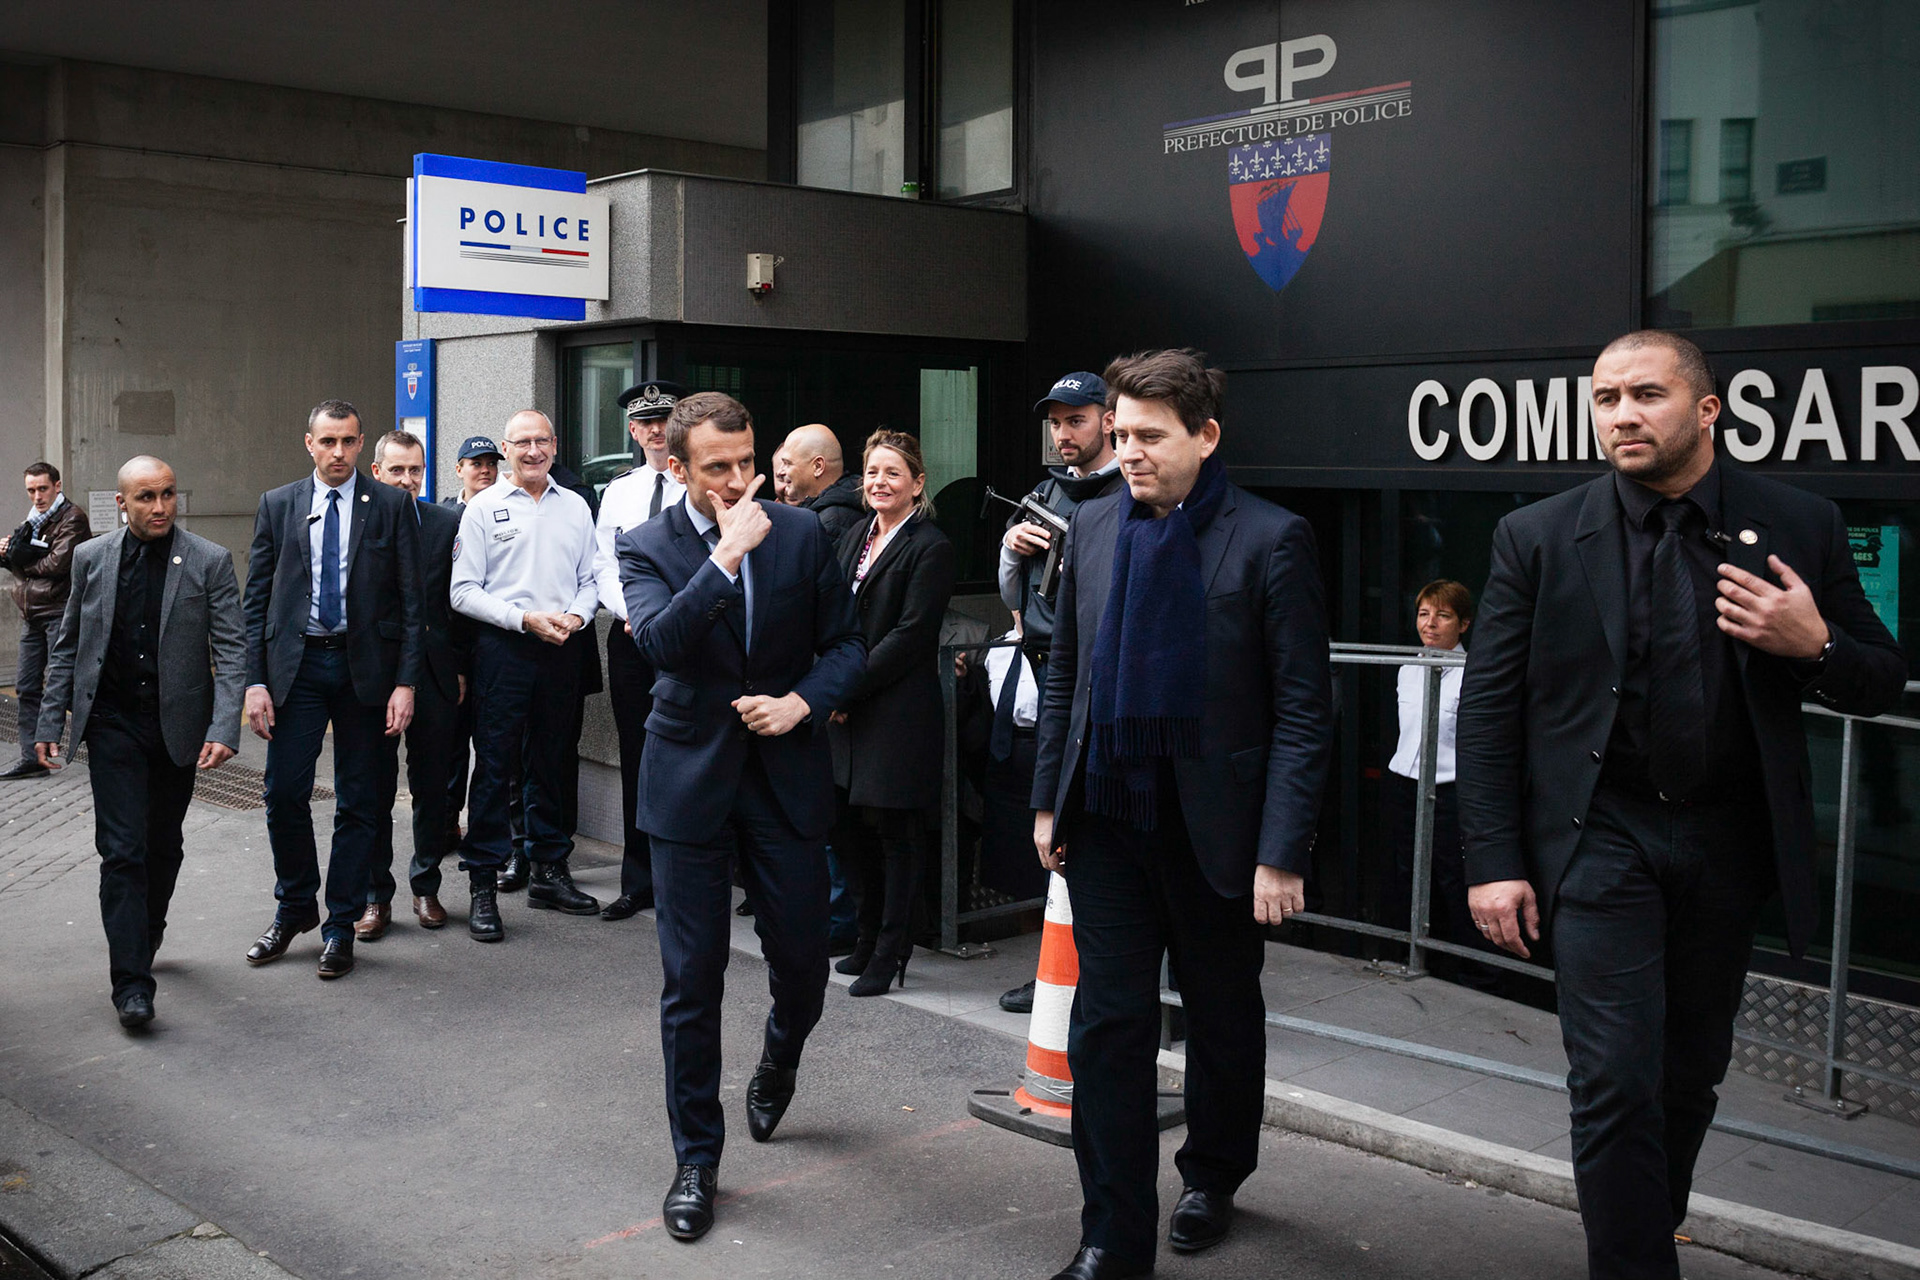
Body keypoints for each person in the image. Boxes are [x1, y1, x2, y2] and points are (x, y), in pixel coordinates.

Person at [1459, 332, 1906, 1280]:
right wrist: (1493, 861)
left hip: (1727, 839)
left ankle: (1643, 1231)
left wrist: (1811, 644)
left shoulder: (1800, 521)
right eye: (1607, 397)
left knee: (1688, 1073)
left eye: (1647, 395)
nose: (1622, 414)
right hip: (1600, 837)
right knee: (1615, 1077)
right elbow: (1490, 708)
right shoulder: (1537, 536)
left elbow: (1879, 677)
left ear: (1706, 410)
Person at [1030, 349, 1332, 1280]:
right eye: (1118, 436)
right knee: (1107, 1027)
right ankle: (1110, 1239)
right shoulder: (1090, 529)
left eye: (1148, 437)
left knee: (1222, 1013)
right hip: (1110, 821)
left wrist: (1280, 852)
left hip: (1221, 834)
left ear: (1205, 435)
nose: (1129, 453)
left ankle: (1213, 1173)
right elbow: (1067, 676)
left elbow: (1302, 709)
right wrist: (1048, 800)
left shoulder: (1271, 539)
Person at [615, 390, 865, 1244]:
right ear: (676, 466)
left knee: (802, 961)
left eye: (745, 463)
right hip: (688, 776)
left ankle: (779, 1057)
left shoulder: (800, 532)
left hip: (784, 775)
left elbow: (849, 644)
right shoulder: (646, 544)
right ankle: (696, 1158)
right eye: (715, 467)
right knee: (692, 980)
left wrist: (804, 702)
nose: (736, 481)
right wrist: (721, 558)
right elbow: (657, 646)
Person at [34, 456, 244, 1027]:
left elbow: (231, 648)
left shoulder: (209, 560)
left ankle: (146, 933)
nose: (160, 507)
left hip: (176, 727)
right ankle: (131, 984)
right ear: (122, 503)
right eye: (146, 497)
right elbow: (67, 645)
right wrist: (50, 722)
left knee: (163, 846)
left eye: (168, 495)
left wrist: (225, 727)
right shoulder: (90, 558)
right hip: (112, 726)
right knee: (122, 852)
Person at [241, 400, 422, 981]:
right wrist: (254, 681)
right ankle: (296, 906)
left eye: (348, 441)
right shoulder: (279, 503)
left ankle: (341, 923)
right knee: (283, 793)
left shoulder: (391, 504)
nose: (339, 452)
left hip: (364, 672)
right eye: (328, 442)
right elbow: (256, 600)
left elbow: (413, 605)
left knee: (359, 801)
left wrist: (405, 683)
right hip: (297, 669)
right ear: (309, 443)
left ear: (361, 442)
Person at [998, 372, 1125, 1016]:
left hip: (1107, 683)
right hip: (1051, 669)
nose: (1063, 432)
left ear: (1107, 420)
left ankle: (1118, 983)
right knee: (1053, 828)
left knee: (1105, 833)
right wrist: (1013, 547)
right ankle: (1059, 976)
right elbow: (1013, 594)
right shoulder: (1043, 493)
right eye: (1056, 421)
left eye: (1076, 419)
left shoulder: (1132, 490)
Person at [449, 410, 601, 940]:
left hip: (562, 647)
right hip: (505, 649)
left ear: (555, 446)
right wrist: (523, 619)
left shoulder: (577, 506)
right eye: (522, 442)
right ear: (506, 450)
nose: (533, 450)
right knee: (495, 766)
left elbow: (590, 578)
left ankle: (549, 872)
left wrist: (578, 616)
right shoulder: (483, 508)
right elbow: (462, 591)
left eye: (542, 441)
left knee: (554, 762)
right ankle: (483, 885)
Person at [828, 430, 955, 997]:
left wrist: (844, 686)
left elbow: (910, 635)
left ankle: (893, 950)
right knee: (848, 830)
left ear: (917, 483)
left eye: (893, 474)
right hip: (843, 709)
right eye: (872, 473)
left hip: (896, 710)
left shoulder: (931, 546)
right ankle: (865, 934)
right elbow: (830, 608)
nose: (880, 483)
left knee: (896, 836)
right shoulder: (855, 533)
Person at [362, 429, 471, 935]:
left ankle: (425, 887)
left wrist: (461, 667)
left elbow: (462, 602)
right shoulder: (357, 525)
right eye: (397, 470)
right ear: (377, 471)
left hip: (433, 672)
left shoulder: (447, 522)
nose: (407, 480)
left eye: (416, 471)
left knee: (432, 787)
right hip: (374, 676)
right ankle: (374, 897)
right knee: (373, 790)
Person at [594, 379, 686, 921]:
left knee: (694, 755)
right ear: (633, 430)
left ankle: (696, 875)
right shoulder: (619, 491)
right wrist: (634, 613)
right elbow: (605, 565)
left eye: (663, 421)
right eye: (645, 422)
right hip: (631, 639)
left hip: (688, 640)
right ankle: (639, 880)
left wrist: (670, 619)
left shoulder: (698, 483)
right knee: (638, 757)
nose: (655, 431)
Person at [1381, 580, 1499, 989]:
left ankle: (1470, 974)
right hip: (1404, 785)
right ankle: (1407, 957)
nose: (1430, 624)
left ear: (1464, 623)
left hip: (1450, 791)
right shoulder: (1408, 666)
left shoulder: (1473, 675)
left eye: (1442, 615)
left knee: (1452, 877)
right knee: (1404, 872)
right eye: (1423, 614)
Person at [3, 461, 91, 780]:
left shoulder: (73, 517)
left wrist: (19, 556)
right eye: (31, 490)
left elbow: (57, 563)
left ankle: (110, 742)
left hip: (60, 612)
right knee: (27, 686)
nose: (37, 496)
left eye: (42, 488)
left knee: (64, 688)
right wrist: (8, 554)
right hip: (33, 613)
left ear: (57, 485)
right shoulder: (34, 520)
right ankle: (32, 759)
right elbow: (22, 560)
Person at [781, 424, 864, 541]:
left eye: (788, 463)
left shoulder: (831, 524)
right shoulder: (826, 514)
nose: (780, 472)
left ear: (818, 466)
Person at [444, 435, 502, 508]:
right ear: (459, 470)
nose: (485, 470)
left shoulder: (509, 506)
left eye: (491, 463)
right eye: (477, 464)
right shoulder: (444, 512)